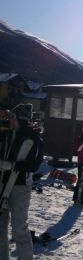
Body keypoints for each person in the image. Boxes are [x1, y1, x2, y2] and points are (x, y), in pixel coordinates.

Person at [0, 105, 43, 260]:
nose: (10, 120)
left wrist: (12, 166)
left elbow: (34, 164)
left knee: (19, 227)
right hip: (2, 182)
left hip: (20, 185)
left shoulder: (33, 137)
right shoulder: (7, 134)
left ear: (19, 119)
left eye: (12, 117)